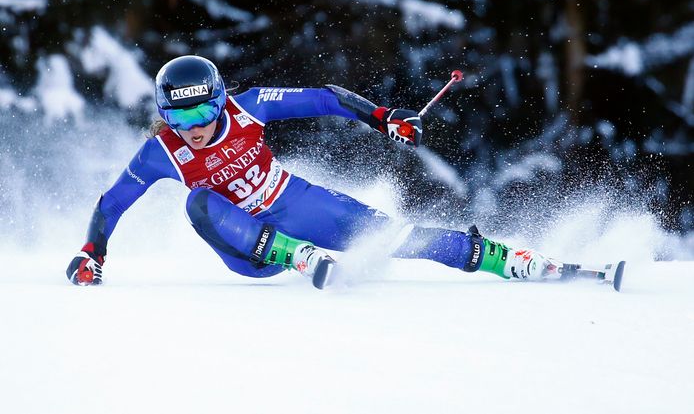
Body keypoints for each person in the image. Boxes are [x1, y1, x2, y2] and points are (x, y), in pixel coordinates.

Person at [66, 55, 558, 289]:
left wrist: (383, 118)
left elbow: (324, 97)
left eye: (201, 115)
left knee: (393, 237)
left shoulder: (249, 108)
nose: (192, 129)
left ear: (219, 102)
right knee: (196, 201)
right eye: (179, 118)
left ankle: (506, 258)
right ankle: (296, 257)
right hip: (245, 247)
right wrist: (93, 252)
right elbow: (111, 203)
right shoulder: (161, 152)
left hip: (295, 203)